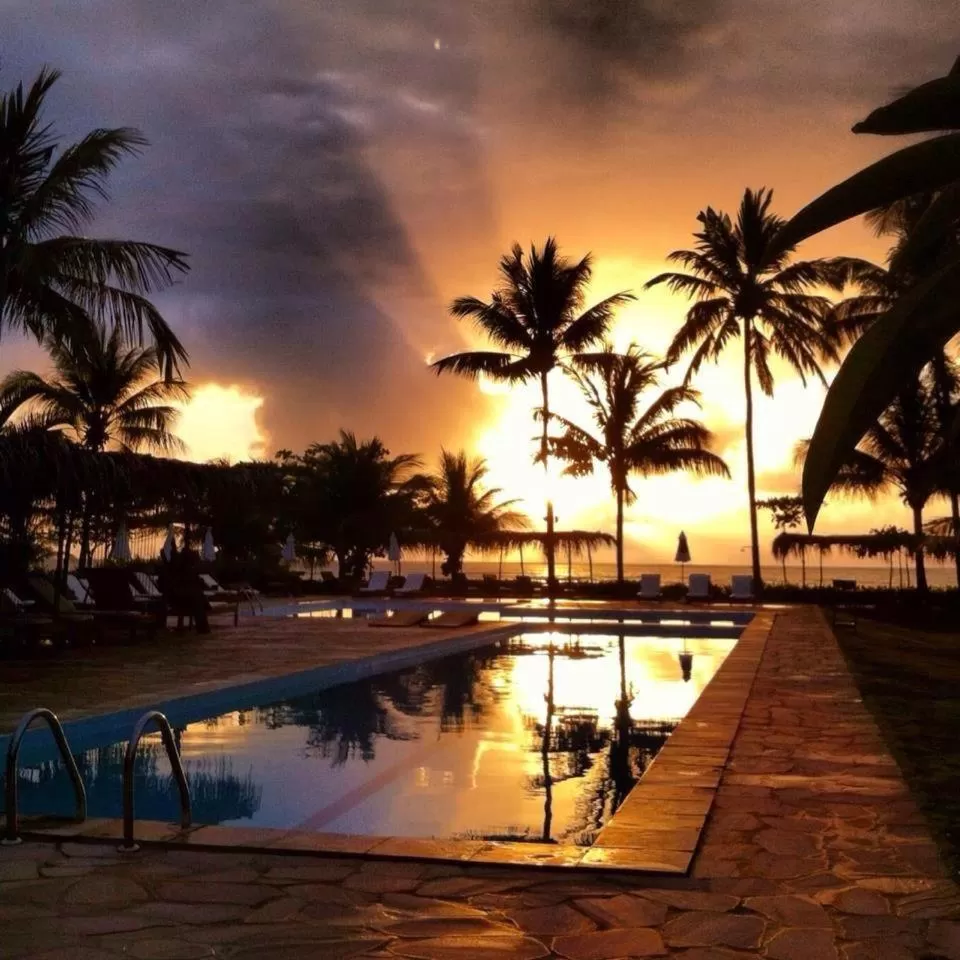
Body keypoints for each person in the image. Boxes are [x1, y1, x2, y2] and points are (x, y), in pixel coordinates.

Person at [158, 542, 210, 633]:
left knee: (196, 595)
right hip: (176, 597)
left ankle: (202, 627)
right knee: (196, 596)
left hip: (181, 596)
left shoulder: (181, 569)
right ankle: (202, 627)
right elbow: (165, 586)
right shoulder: (171, 570)